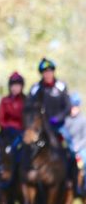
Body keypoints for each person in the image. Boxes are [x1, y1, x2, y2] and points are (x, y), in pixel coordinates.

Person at [28, 57, 75, 185]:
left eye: (50, 71)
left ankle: (71, 180)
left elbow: (68, 107)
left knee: (70, 147)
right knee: (28, 146)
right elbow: (29, 107)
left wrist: (57, 118)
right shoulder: (36, 88)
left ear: (53, 72)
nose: (47, 74)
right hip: (41, 128)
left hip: (58, 126)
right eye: (45, 72)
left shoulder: (61, 86)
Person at [65, 93, 86, 195]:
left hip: (81, 149)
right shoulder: (66, 121)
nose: (73, 109)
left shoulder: (83, 120)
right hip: (68, 148)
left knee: (84, 163)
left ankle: (83, 185)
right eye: (71, 107)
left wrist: (78, 146)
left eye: (74, 107)